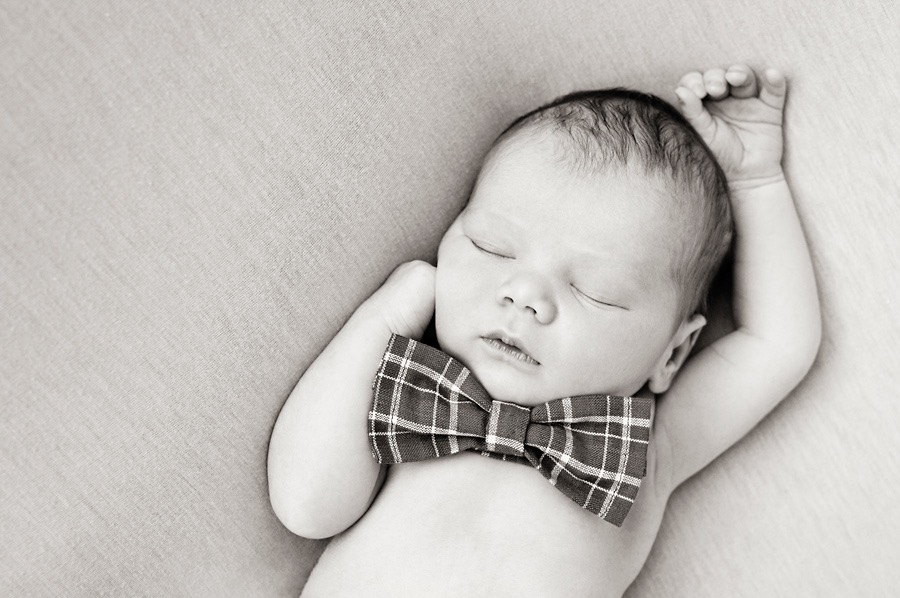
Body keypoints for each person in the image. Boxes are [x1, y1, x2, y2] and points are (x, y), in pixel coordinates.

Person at [267, 64, 821, 596]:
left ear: (671, 354)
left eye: (595, 291)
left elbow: (780, 345)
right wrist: (386, 315)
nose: (526, 295)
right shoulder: (412, 409)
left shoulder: (650, 453)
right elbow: (306, 507)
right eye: (493, 247)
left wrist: (756, 180)